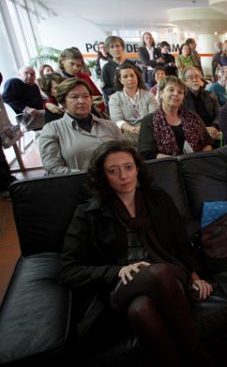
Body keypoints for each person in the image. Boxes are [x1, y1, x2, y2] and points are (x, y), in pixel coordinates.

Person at [59, 140, 214, 366]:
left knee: (148, 296)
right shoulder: (88, 213)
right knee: (148, 291)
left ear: (138, 168)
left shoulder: (158, 199)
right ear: (102, 176)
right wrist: (117, 271)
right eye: (113, 171)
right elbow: (68, 271)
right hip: (120, 286)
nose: (123, 176)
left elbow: (181, 243)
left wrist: (195, 275)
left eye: (128, 167)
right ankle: (199, 359)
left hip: (169, 276)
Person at [38, 78, 121, 175]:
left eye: (86, 96)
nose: (82, 101)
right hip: (77, 185)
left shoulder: (110, 126)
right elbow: (53, 167)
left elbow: (126, 156)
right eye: (74, 97)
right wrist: (91, 177)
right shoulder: (52, 129)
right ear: (63, 102)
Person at [138, 76, 212, 160]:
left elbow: (207, 143)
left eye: (180, 92)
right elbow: (146, 153)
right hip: (166, 167)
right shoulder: (149, 120)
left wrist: (197, 160)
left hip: (195, 165)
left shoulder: (193, 117)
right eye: (171, 90)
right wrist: (177, 161)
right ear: (161, 93)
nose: (176, 94)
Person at [108, 63, 159, 145]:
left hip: (148, 129)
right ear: (120, 80)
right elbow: (116, 119)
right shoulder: (114, 98)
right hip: (127, 131)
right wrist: (131, 129)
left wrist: (141, 128)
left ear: (137, 77)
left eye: (132, 75)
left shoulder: (149, 95)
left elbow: (154, 116)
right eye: (125, 76)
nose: (130, 79)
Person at [181, 66, 221, 142]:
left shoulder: (210, 95)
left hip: (214, 131)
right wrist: (204, 130)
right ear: (184, 82)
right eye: (190, 77)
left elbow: (219, 114)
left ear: (201, 79)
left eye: (197, 77)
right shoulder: (182, 98)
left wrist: (215, 127)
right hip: (194, 134)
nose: (194, 79)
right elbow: (184, 121)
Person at [103, 36, 137, 109]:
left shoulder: (132, 64)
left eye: (118, 46)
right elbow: (105, 89)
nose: (116, 49)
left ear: (122, 47)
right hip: (117, 103)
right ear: (108, 50)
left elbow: (140, 83)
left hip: (135, 101)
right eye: (112, 47)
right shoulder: (106, 67)